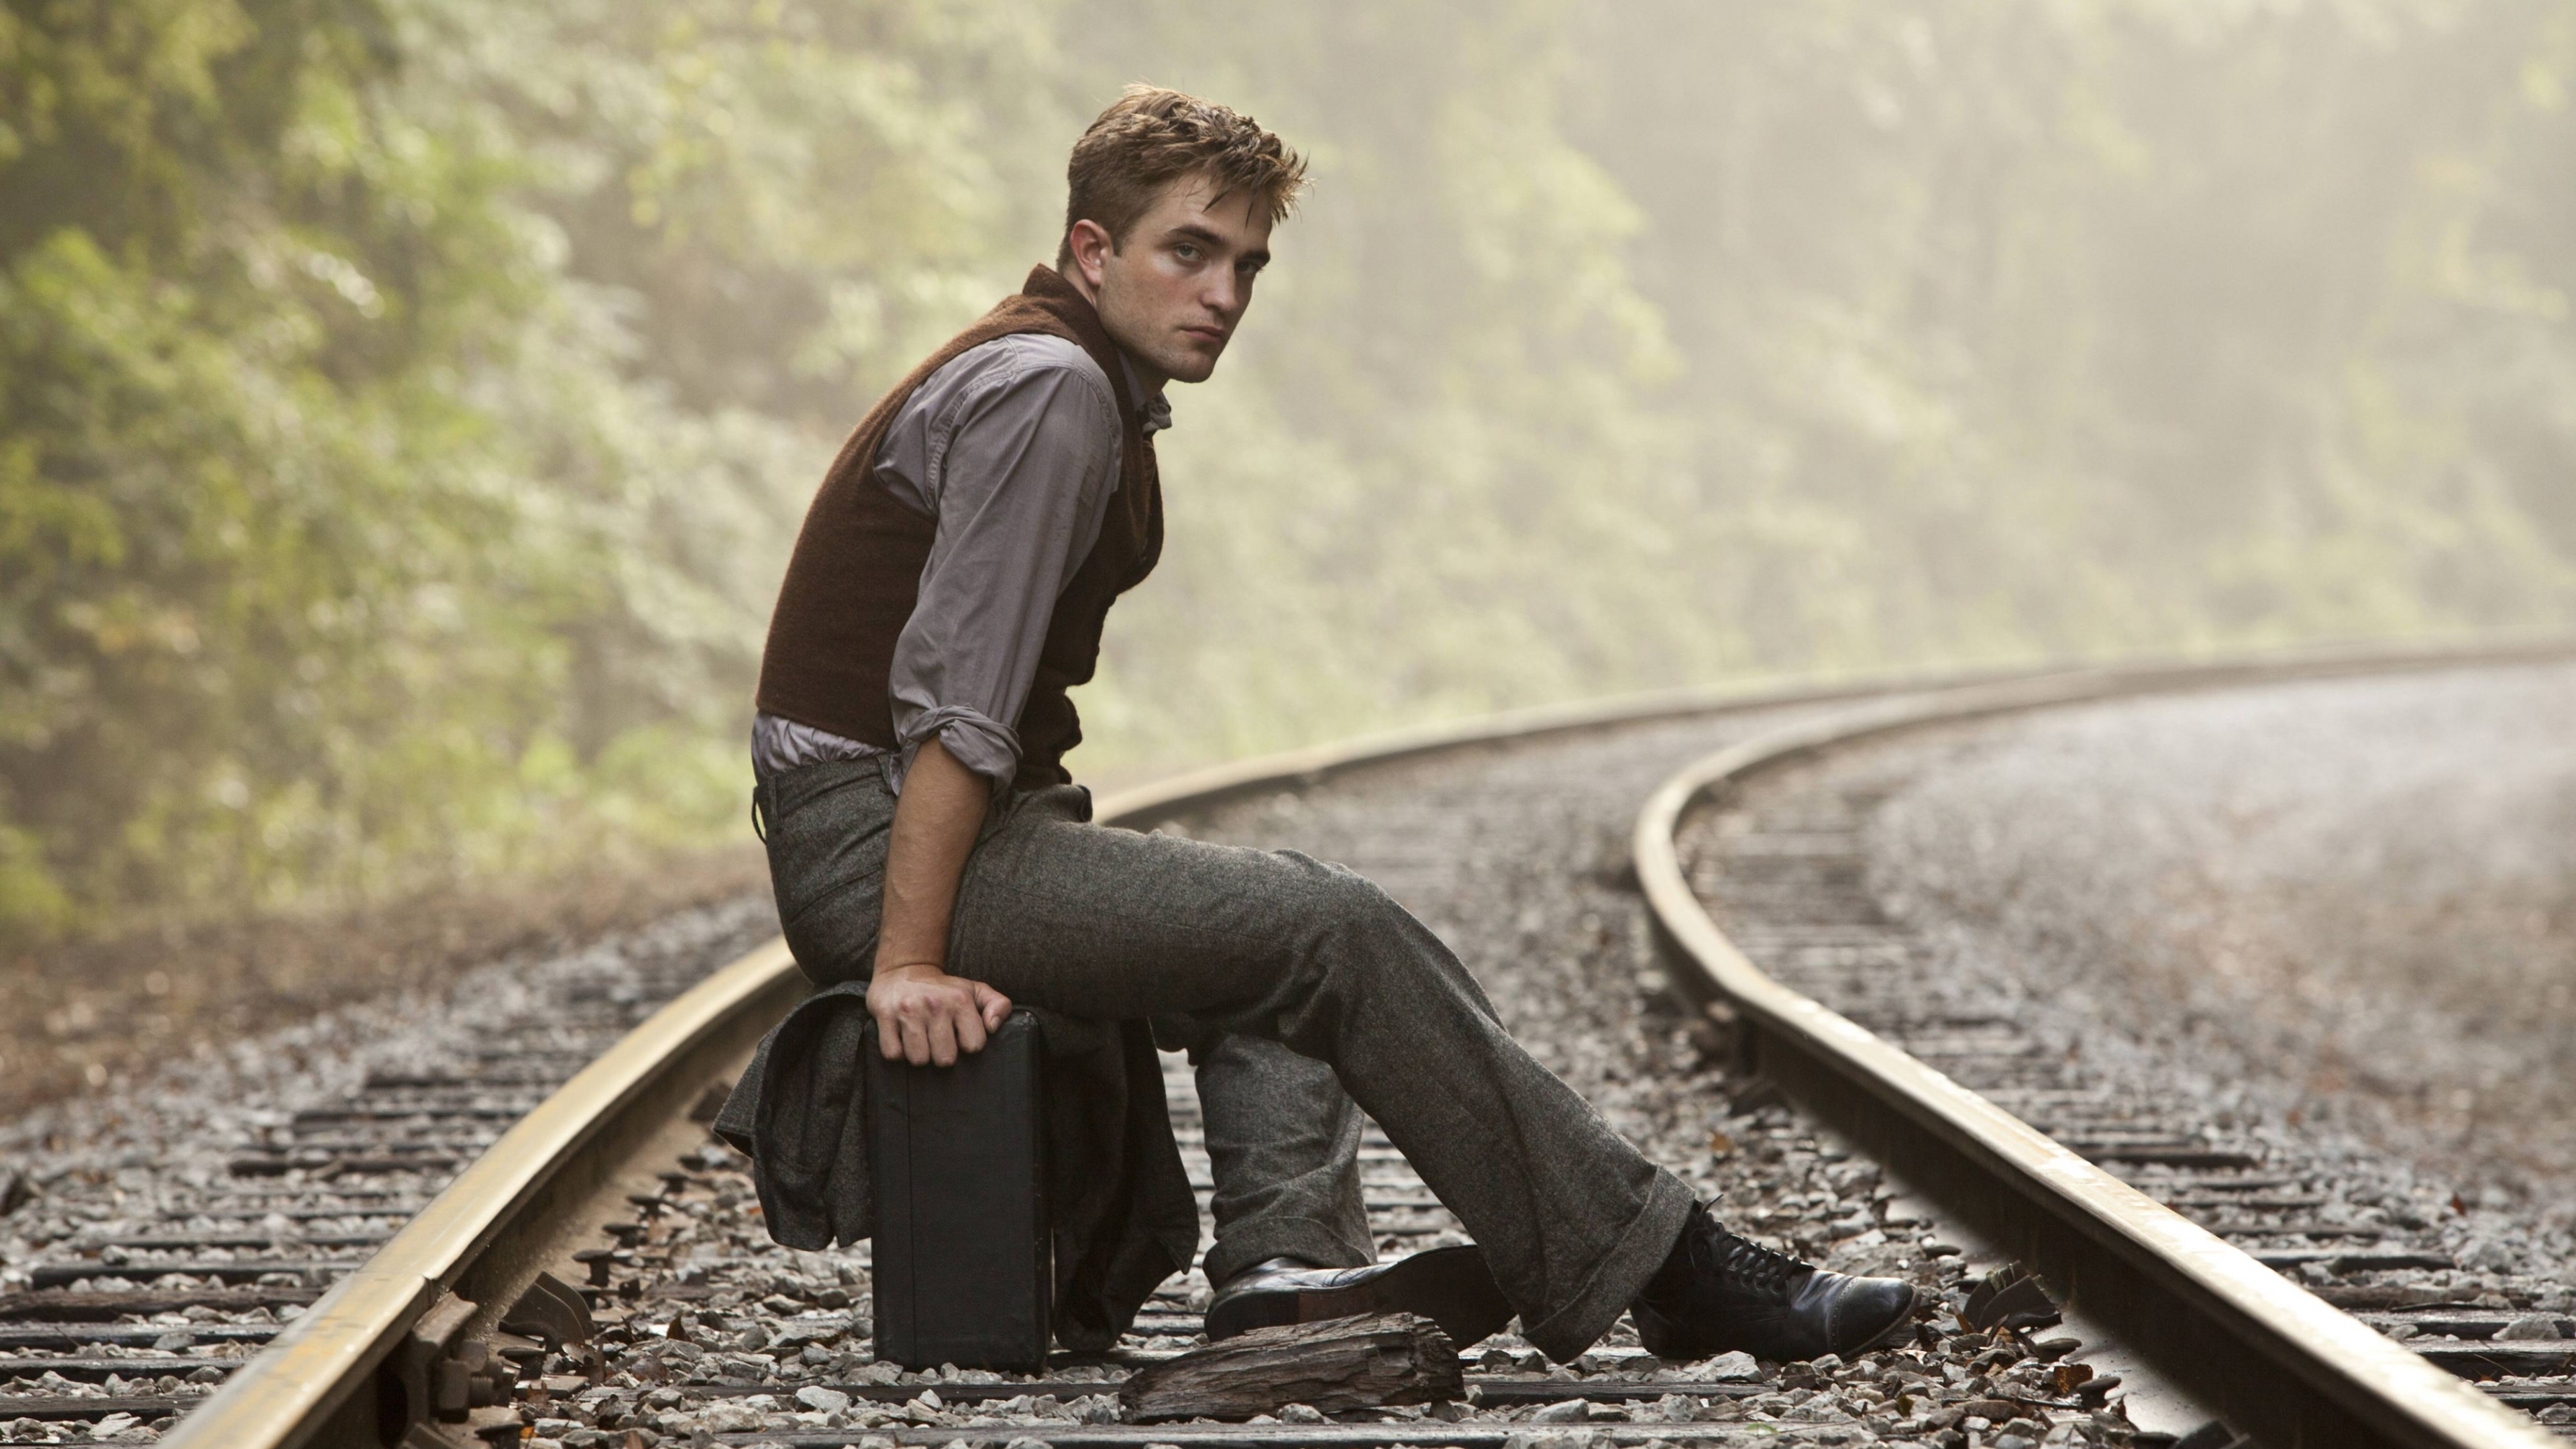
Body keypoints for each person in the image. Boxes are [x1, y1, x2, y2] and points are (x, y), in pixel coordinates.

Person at [741, 85, 1915, 1366]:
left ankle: (1285, 1273)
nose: (1225, 293)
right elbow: (955, 715)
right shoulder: (1051, 394)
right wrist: (904, 961)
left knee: (1263, 920)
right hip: (880, 844)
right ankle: (1674, 1271)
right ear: (1093, 251)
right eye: (1188, 251)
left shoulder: (1071, 379)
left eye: (1247, 264)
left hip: (921, 826)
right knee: (1328, 926)